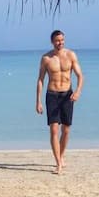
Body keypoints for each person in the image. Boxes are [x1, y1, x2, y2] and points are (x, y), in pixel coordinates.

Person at [35, 30, 84, 174]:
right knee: (54, 129)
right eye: (57, 41)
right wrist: (38, 101)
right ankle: (58, 163)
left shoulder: (71, 55)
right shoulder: (46, 58)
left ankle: (61, 156)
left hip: (67, 95)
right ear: (52, 42)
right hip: (52, 95)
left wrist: (78, 92)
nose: (60, 43)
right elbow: (40, 80)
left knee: (66, 130)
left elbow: (80, 76)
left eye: (62, 40)